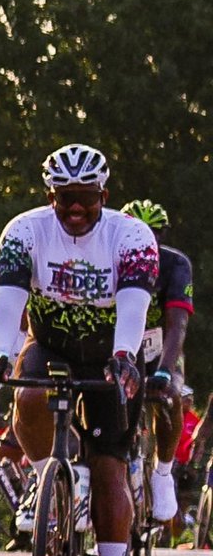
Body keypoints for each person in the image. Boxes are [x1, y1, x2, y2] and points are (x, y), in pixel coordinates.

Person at [0, 143, 158, 556]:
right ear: (49, 195)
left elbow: (135, 308)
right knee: (30, 394)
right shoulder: (23, 231)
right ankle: (53, 483)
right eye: (65, 198)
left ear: (105, 193)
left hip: (110, 352)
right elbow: (7, 303)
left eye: (87, 196)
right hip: (52, 345)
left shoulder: (133, 236)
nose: (76, 207)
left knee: (109, 468)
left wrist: (124, 355)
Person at [120, 199, 192, 522]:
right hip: (120, 345)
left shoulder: (176, 265)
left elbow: (177, 326)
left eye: (154, 235)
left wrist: (164, 371)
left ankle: (163, 474)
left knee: (170, 395)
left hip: (160, 347)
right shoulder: (110, 257)